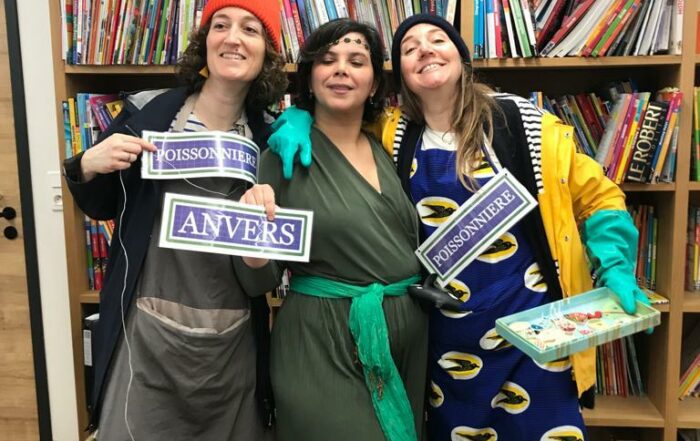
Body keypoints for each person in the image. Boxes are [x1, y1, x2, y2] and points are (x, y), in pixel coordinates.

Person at [269, 14, 647, 441]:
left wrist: (614, 264)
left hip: (536, 337)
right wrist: (299, 117)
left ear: (462, 58)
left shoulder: (522, 123)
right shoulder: (392, 132)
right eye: (409, 48)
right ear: (400, 75)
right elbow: (338, 117)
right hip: (447, 345)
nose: (425, 49)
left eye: (437, 39)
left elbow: (598, 196)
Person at [62, 1, 291, 439]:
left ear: (267, 52)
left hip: (231, 344)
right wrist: (88, 163)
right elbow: (101, 205)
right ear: (204, 41)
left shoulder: (272, 139)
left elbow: (263, 279)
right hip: (144, 337)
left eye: (250, 29)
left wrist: (260, 246)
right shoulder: (147, 113)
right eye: (221, 25)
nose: (233, 38)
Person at [241, 18, 428, 441]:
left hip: (406, 346)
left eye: (356, 61)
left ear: (375, 84)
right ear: (309, 77)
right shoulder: (284, 155)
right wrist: (252, 248)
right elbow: (258, 280)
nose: (341, 69)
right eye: (327, 60)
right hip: (322, 344)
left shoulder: (390, 144)